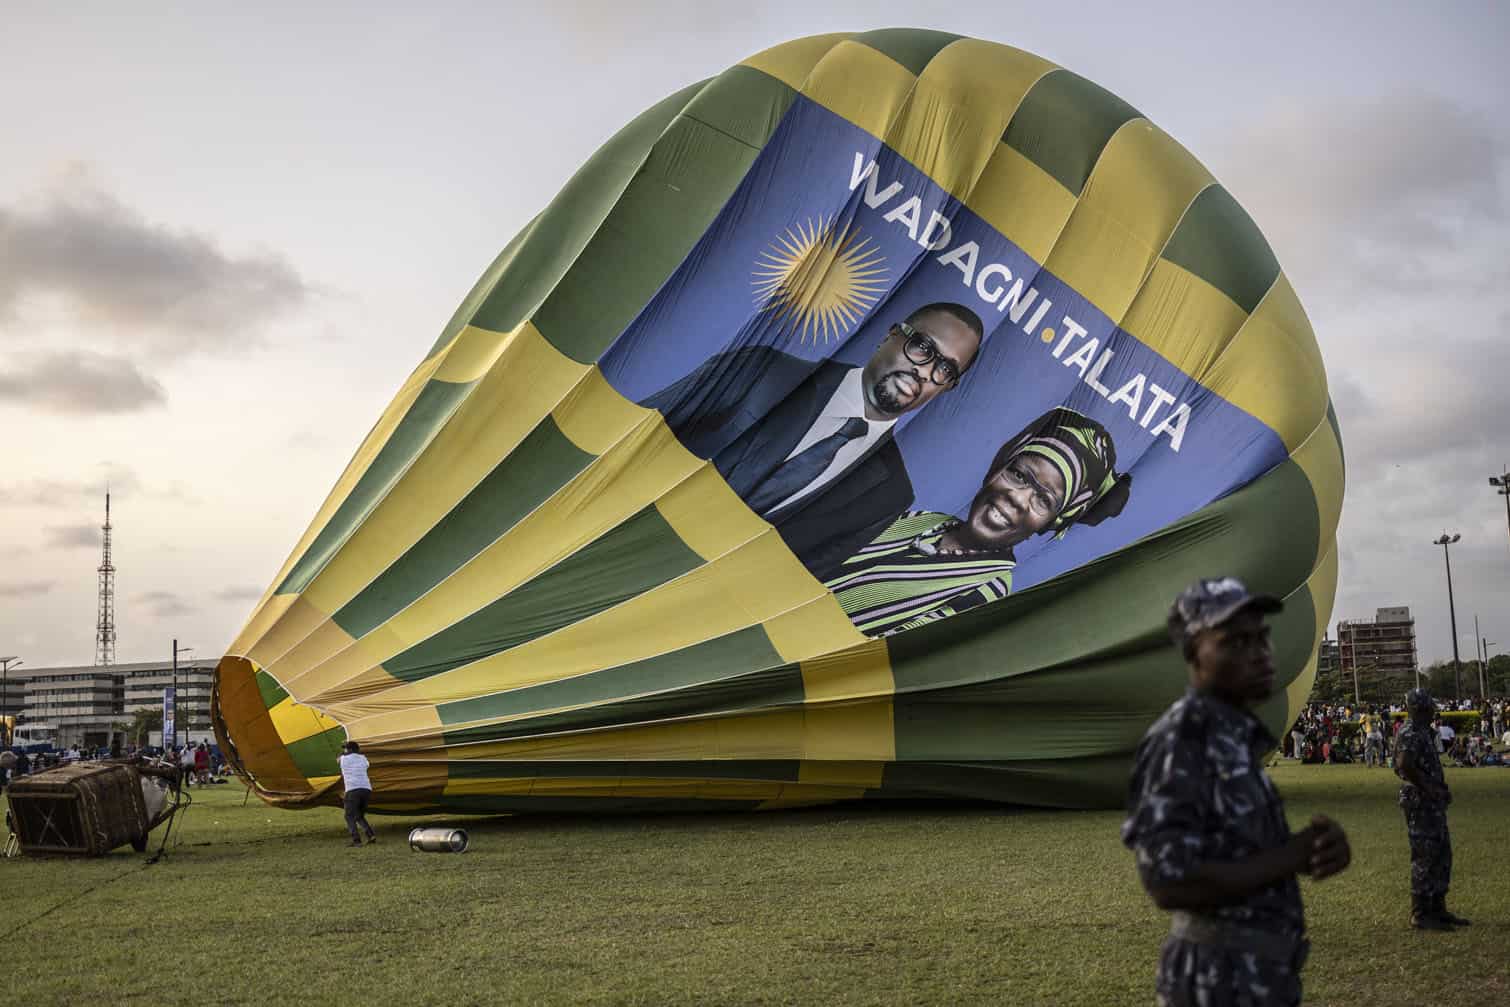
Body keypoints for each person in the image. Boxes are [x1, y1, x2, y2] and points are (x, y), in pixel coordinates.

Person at [1123, 577, 1351, 1006]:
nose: (1260, 653)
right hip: (1217, 981)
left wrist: (1313, 851)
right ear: (1194, 653)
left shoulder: (1234, 735)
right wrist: (1289, 856)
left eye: (1262, 637)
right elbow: (1169, 882)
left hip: (1257, 976)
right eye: (1236, 642)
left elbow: (1236, 851)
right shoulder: (1182, 739)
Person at [643, 303, 984, 577]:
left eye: (945, 370)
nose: (924, 371)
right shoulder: (766, 371)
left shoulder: (889, 497)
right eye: (922, 347)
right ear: (890, 335)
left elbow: (789, 586)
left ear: (945, 388)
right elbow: (639, 433)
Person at [825, 407, 1130, 636]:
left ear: (1053, 522)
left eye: (1043, 500)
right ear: (1000, 465)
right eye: (1020, 475)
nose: (1018, 498)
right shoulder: (925, 520)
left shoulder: (988, 588)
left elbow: (885, 652)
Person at [1393, 688, 1469, 930]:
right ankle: (1420, 913)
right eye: (1428, 706)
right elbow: (1404, 764)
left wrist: (1439, 788)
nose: (1432, 710)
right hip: (1421, 801)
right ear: (1419, 708)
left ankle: (1438, 907)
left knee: (1441, 854)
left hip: (1432, 801)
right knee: (1425, 856)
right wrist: (1428, 787)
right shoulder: (1410, 731)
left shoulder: (1423, 730)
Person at [338, 740, 376, 847]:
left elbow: (338, 759)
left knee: (349, 816)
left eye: (345, 748)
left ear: (348, 750)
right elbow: (367, 764)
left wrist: (343, 753)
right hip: (366, 789)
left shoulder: (343, 759)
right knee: (359, 815)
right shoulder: (363, 758)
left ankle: (356, 840)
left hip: (352, 790)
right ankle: (371, 835)